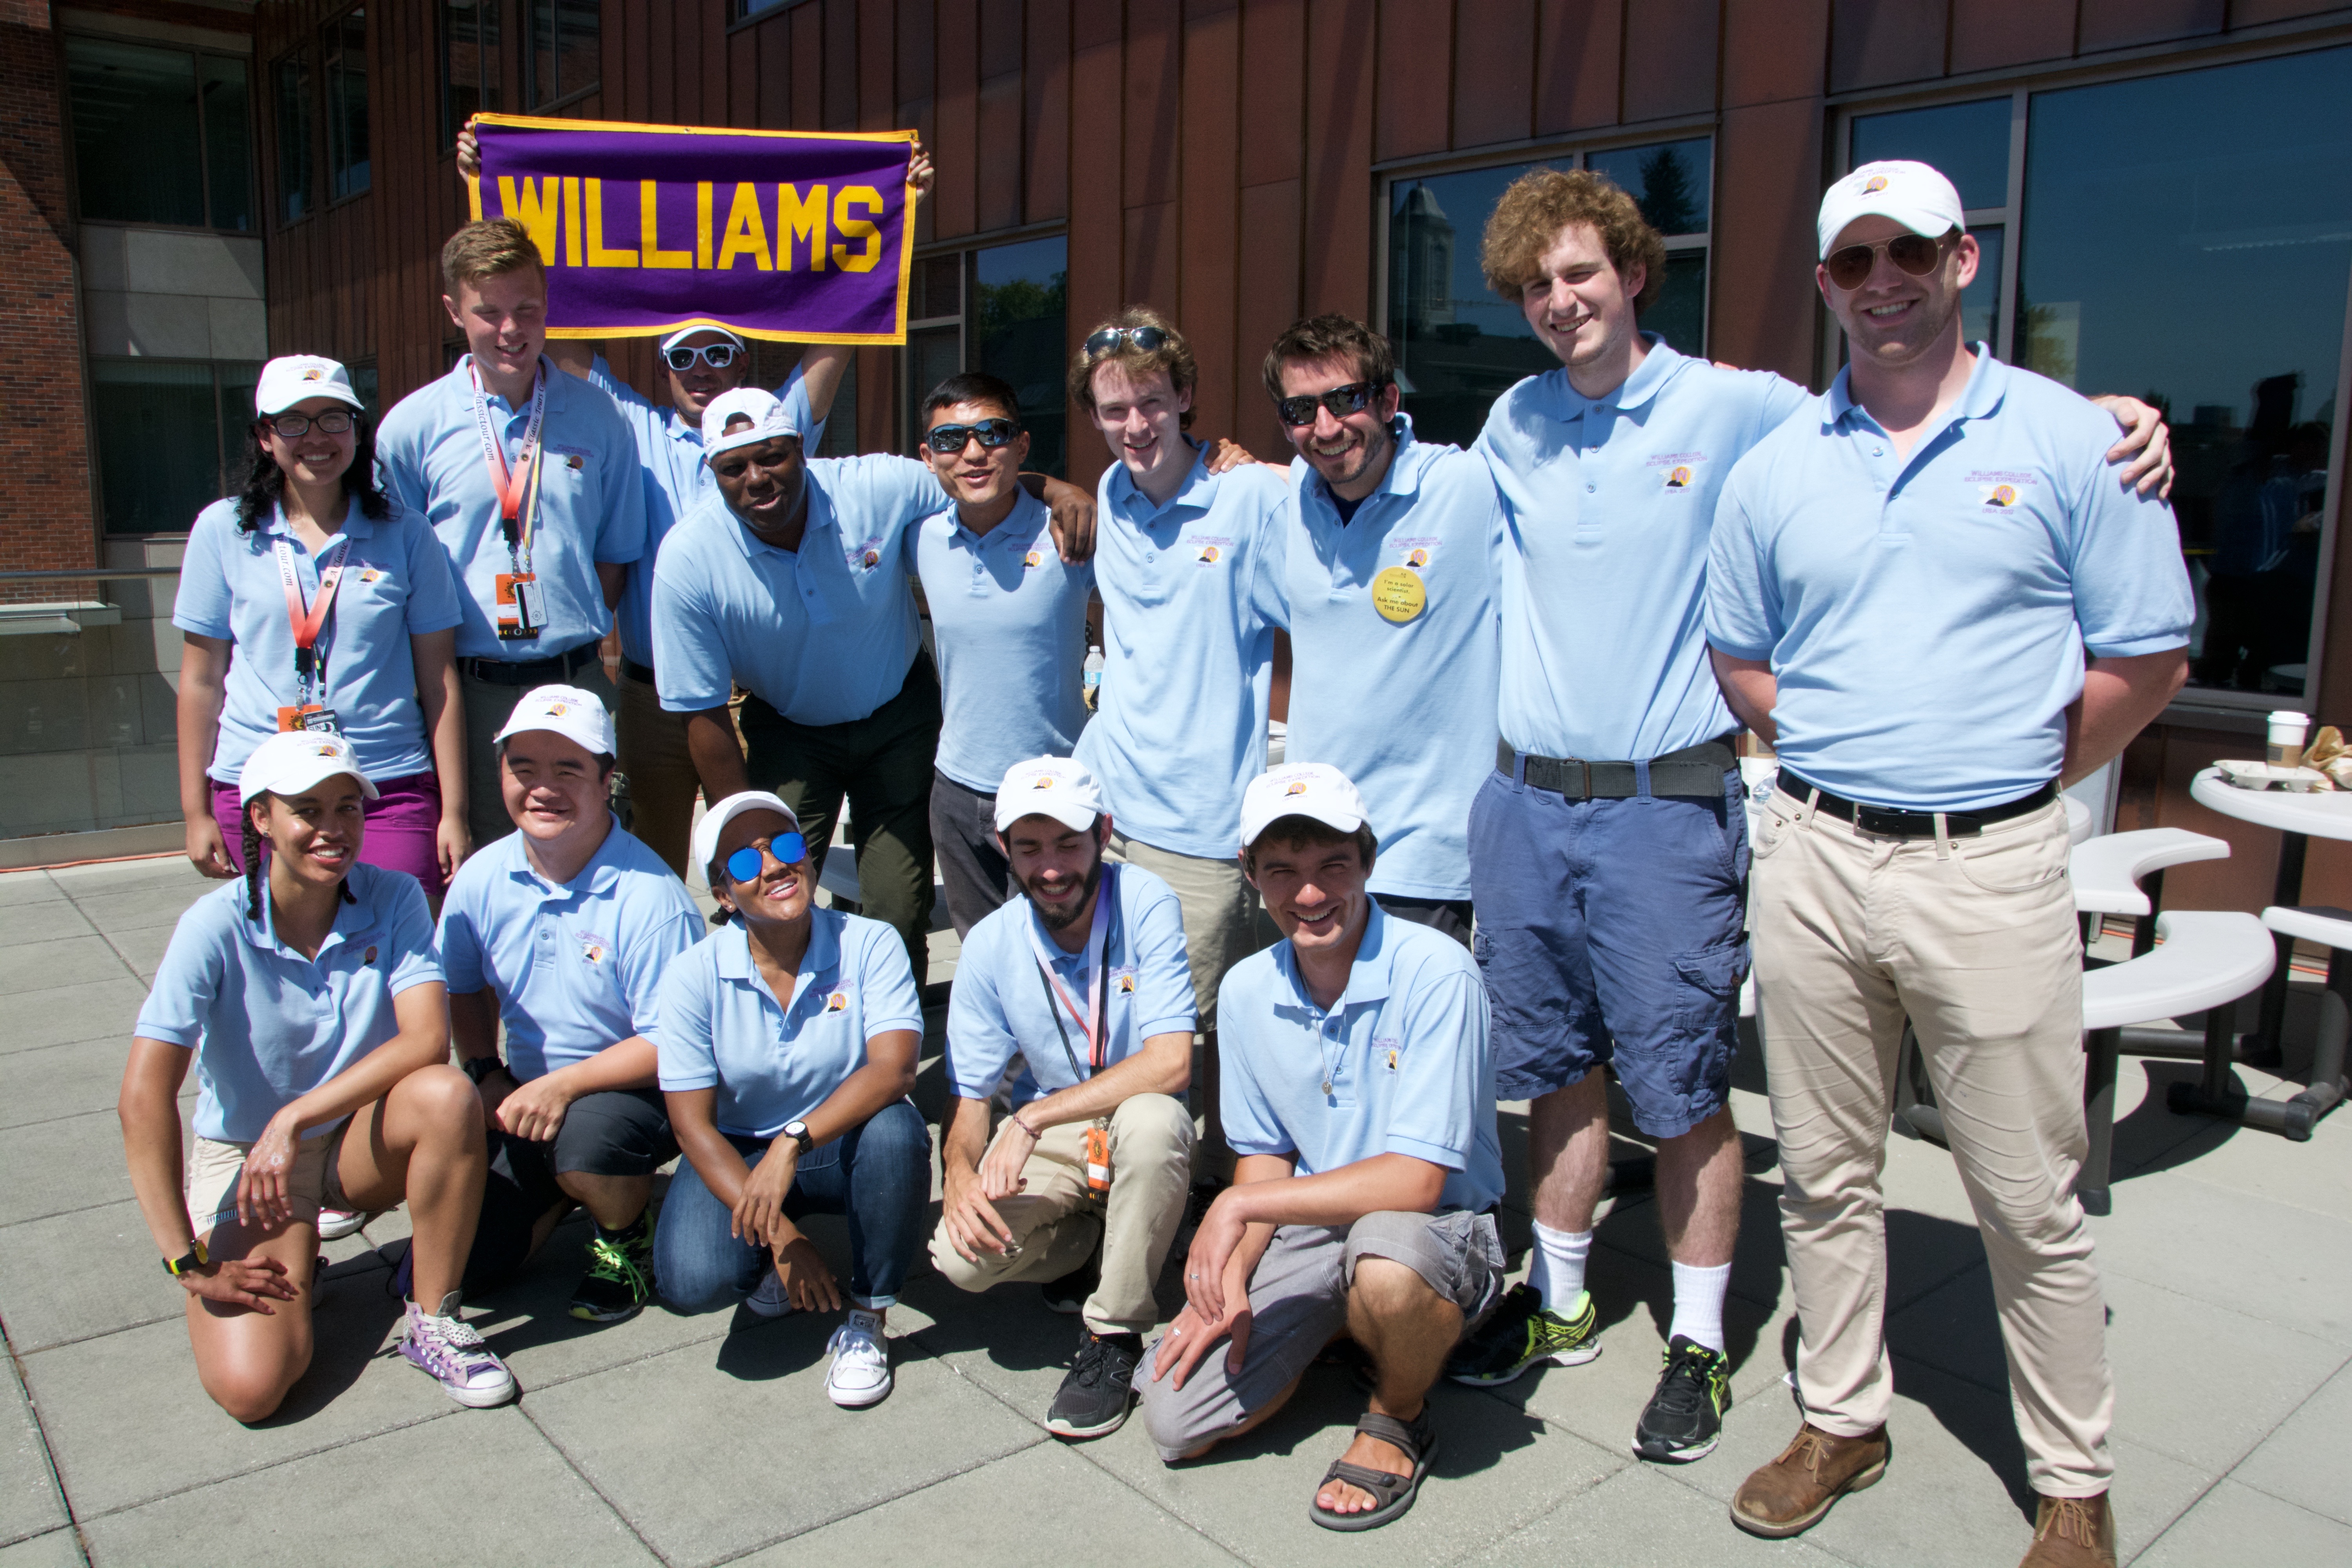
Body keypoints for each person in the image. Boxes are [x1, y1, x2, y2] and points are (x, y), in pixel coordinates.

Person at [1443, 166, 2176, 1466]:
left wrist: (2114, 415)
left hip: (1668, 808)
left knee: (1681, 1091)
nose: (1563, 303)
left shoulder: (1735, 408)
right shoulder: (1515, 421)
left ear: (1629, 274)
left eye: (1583, 275)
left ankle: (1699, 1343)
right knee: (1554, 1074)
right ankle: (1559, 1311)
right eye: (1538, 286)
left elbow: (1908, 399)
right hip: (1525, 802)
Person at [1705, 160, 2192, 1568]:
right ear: (1823, 287)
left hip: (1986, 869)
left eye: (1906, 253)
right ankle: (1843, 1417)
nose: (1882, 284)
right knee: (1827, 1171)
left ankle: (2073, 1482)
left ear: (1962, 259)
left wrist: (2020, 767)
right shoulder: (1782, 463)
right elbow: (1738, 650)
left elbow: (2151, 648)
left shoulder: (2070, 439)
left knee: (2026, 1194)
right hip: (1810, 852)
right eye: (1852, 263)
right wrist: (1843, 746)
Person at [1136, 764, 1504, 1533]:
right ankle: (1345, 1321)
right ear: (1251, 875)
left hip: (1432, 1227)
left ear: (1369, 858)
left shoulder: (1438, 969)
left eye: (1332, 864)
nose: (1309, 894)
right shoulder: (1243, 990)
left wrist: (1237, 1206)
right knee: (1174, 1418)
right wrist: (1233, 1272)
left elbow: (1417, 1178)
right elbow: (1266, 1152)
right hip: (1313, 1222)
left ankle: (1398, 1416)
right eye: (1283, 871)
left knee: (1386, 1261)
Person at [119, 731, 514, 1420]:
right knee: (254, 1391)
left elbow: (426, 1039)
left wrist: (296, 1116)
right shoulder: (212, 926)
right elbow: (143, 1097)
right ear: (261, 819)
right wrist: (186, 1260)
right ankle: (299, 1257)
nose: (333, 830)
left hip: (350, 1139)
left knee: (448, 1095)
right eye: (308, 810)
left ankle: (435, 1319)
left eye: (348, 808)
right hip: (252, 1167)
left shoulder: (392, 897)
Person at [651, 386, 1093, 978]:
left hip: (897, 720)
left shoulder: (874, 484)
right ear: (713, 472)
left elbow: (976, 473)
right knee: (765, 887)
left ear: (802, 449)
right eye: (734, 467)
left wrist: (1058, 489)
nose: (757, 478)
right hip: (791, 731)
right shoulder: (687, 559)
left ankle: (894, 1050)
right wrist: (739, 823)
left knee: (897, 906)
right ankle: (783, 1032)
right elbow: (702, 713)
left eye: (774, 456)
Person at [1069, 307, 1291, 1182]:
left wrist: (1282, 469)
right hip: (1107, 808)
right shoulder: (1114, 496)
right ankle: (1117, 1201)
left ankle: (1192, 1219)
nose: (1135, 425)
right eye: (1115, 409)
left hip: (1199, 827)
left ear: (1187, 396)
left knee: (1183, 1044)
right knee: (1118, 1026)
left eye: (1153, 403)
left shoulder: (1250, 497)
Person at [930, 755, 1196, 1439]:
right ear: (1004, 851)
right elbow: (968, 1096)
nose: (1051, 868)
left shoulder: (1144, 901)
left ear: (1104, 833)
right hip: (1063, 1134)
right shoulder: (991, 945)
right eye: (1030, 847)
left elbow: (1169, 1064)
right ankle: (1091, 1246)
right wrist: (958, 1172)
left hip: (1128, 1114)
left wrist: (1032, 1117)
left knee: (1154, 1121)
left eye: (1069, 843)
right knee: (960, 1257)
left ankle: (1113, 1336)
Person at [653, 789, 931, 1410]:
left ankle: (867, 1314)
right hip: (742, 1150)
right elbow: (693, 1128)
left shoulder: (870, 942)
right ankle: (768, 1262)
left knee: (895, 1130)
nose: (775, 866)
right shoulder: (692, 977)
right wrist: (783, 1240)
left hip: (835, 1142)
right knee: (691, 1280)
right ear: (724, 896)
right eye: (746, 863)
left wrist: (793, 1139)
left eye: (784, 846)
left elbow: (894, 1071)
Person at [375, 217, 647, 851]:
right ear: (453, 311)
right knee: (484, 862)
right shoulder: (412, 429)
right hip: (466, 695)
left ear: (548, 304)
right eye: (488, 312)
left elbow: (613, 557)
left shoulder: (599, 417)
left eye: (526, 309)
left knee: (593, 851)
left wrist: (559, 631)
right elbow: (399, 573)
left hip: (574, 679)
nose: (510, 330)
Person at [437, 686, 704, 1321]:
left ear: (608, 779)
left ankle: (623, 1236)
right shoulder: (481, 876)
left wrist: (563, 1088)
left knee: (588, 1140)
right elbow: (462, 985)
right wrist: (482, 1069)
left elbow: (675, 1042)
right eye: (522, 768)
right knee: (467, 1268)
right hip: (526, 1093)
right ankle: (560, 1188)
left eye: (568, 770)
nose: (541, 788)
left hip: (641, 1092)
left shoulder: (650, 895)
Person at [175, 355, 469, 902]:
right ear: (265, 436)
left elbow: (439, 680)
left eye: (333, 418)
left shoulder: (407, 534)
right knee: (280, 967)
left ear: (357, 430)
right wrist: (195, 811)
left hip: (385, 784)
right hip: (262, 785)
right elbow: (200, 679)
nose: (316, 437)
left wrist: (454, 812)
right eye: (294, 421)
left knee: (393, 954)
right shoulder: (222, 530)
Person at [1257, 314, 1503, 944]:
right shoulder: (1288, 507)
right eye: (1301, 410)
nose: (1327, 427)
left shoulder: (1469, 489)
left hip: (1429, 864)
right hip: (1319, 853)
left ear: (1388, 400)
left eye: (1346, 399)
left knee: (1421, 1043)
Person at [913, 377, 1096, 935]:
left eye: (992, 434)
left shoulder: (1072, 533)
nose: (972, 453)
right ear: (928, 457)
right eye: (950, 439)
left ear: (1021, 444)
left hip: (1052, 789)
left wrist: (1063, 492)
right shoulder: (919, 538)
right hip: (956, 789)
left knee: (1057, 952)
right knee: (985, 958)